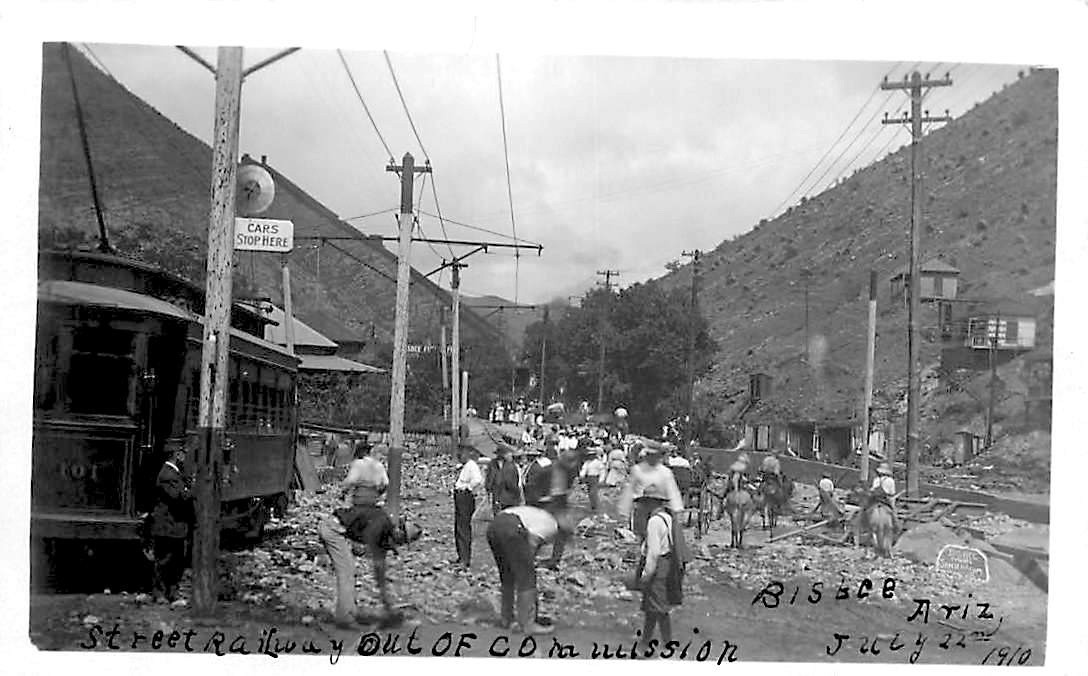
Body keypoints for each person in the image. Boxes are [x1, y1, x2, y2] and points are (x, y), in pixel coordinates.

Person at [318, 502, 422, 629]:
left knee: (349, 570)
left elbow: (379, 570)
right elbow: (371, 551)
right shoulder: (381, 525)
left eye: (403, 542)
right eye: (401, 539)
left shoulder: (386, 532)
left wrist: (385, 598)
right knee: (347, 571)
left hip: (337, 529)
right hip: (332, 529)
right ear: (398, 530)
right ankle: (345, 618)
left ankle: (349, 612)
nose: (399, 543)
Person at [486, 503, 575, 635]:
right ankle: (527, 624)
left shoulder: (540, 516)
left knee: (507, 576)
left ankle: (507, 618)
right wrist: (529, 564)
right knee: (526, 577)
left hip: (494, 527)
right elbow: (531, 544)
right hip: (512, 527)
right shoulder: (551, 526)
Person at [145, 443, 194, 603]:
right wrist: (195, 490)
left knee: (175, 562)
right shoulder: (168, 475)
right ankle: (160, 593)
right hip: (168, 526)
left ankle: (171, 593)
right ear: (177, 455)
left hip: (174, 526)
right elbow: (179, 497)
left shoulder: (175, 473)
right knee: (164, 561)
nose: (186, 457)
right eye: (184, 454)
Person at [618, 443, 684, 540]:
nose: (652, 459)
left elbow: (672, 491)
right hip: (641, 505)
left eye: (654, 456)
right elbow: (629, 489)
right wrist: (624, 509)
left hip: (658, 506)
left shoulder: (665, 472)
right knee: (641, 533)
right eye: (649, 456)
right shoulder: (638, 470)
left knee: (656, 533)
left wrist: (677, 509)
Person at [638, 502, 681, 648]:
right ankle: (647, 643)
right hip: (666, 563)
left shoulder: (654, 521)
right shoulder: (666, 517)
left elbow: (654, 552)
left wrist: (646, 573)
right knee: (654, 607)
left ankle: (658, 644)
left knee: (657, 607)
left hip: (657, 566)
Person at [452, 445, 485, 568]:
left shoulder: (471, 466)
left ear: (467, 454)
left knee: (463, 527)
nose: (459, 457)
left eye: (461, 454)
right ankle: (461, 555)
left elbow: (478, 480)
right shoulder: (465, 466)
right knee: (459, 526)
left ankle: (465, 558)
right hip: (461, 496)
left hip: (464, 496)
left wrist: (468, 488)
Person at [342, 440, 388, 507]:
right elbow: (386, 483)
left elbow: (350, 481)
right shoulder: (379, 465)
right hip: (374, 499)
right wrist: (379, 493)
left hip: (359, 498)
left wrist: (344, 490)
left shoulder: (358, 463)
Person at [486, 444, 523, 513]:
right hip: (498, 495)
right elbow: (489, 478)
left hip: (507, 497)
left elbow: (513, 483)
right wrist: (489, 488)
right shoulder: (492, 464)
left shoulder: (511, 466)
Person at [866, 463, 901, 535]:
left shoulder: (876, 480)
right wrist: (892, 504)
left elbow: (873, 490)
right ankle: (896, 528)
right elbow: (892, 493)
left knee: (866, 509)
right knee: (893, 513)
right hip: (887, 500)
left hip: (876, 500)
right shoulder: (891, 481)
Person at [579, 446, 607, 511]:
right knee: (590, 493)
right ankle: (592, 504)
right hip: (589, 478)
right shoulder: (587, 463)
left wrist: (601, 479)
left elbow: (602, 471)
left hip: (595, 478)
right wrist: (582, 475)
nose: (590, 457)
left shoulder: (598, 462)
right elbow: (584, 469)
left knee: (593, 492)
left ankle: (595, 505)